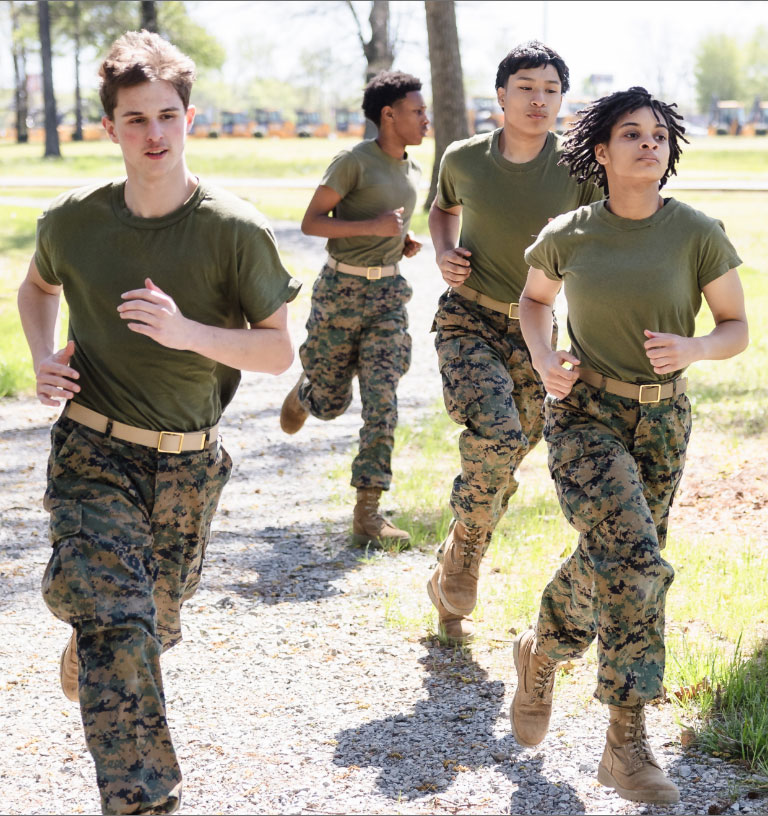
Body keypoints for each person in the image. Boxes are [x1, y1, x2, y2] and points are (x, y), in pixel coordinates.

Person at [17, 31, 300, 815]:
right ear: (109, 126)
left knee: (154, 622)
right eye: (135, 119)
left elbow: (278, 351)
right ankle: (143, 798)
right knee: (120, 617)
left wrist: (187, 333)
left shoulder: (234, 229)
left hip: (187, 464)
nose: (153, 135)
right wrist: (42, 355)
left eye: (167, 116)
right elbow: (37, 289)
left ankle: (94, 635)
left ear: (189, 119)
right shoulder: (74, 220)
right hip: (93, 448)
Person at [513, 87, 748, 804]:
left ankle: (541, 649)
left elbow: (736, 327)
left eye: (658, 135)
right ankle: (625, 740)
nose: (649, 144)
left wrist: (695, 347)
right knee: (636, 562)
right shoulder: (568, 233)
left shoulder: (698, 232)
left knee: (617, 560)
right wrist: (544, 357)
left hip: (664, 422)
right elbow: (533, 301)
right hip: (585, 414)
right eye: (632, 133)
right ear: (602, 151)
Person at [426, 42, 602, 643]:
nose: (538, 100)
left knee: (508, 456)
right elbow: (442, 210)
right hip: (469, 319)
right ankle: (465, 559)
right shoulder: (464, 157)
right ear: (501, 95)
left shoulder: (579, 168)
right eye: (526, 87)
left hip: (535, 332)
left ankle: (459, 546)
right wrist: (445, 251)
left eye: (551, 90)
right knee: (496, 436)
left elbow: (599, 240)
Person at [279, 71, 429, 549]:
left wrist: (401, 241)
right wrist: (373, 227)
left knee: (383, 399)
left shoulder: (413, 171)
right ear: (389, 115)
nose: (425, 119)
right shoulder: (353, 162)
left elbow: (387, 225)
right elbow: (311, 222)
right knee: (331, 403)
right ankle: (307, 395)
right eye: (417, 111)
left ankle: (368, 512)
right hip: (340, 292)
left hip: (388, 297)